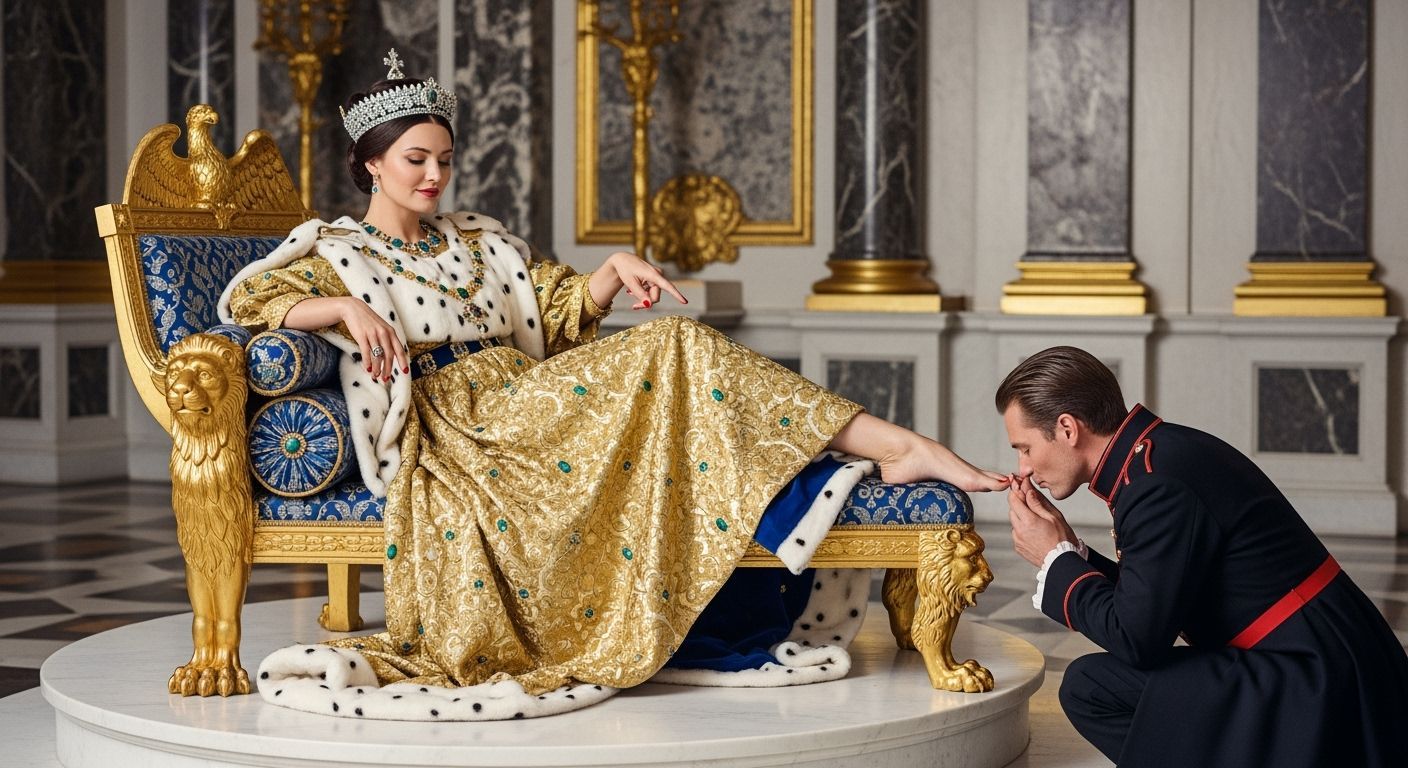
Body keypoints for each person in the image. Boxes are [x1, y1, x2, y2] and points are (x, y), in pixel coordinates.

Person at [216, 51, 1007, 718]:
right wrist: (341, 306)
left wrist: (609, 274)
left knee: (680, 351)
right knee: (675, 346)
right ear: (369, 164)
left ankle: (892, 449)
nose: (433, 176)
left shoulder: (478, 242)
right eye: (415, 160)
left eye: (444, 160)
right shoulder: (338, 251)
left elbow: (557, 311)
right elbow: (247, 303)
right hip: (462, 426)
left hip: (532, 397)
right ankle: (902, 445)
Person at [996, 345, 1408, 767]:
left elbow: (1138, 640)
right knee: (1093, 684)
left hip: (1313, 676)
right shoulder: (1158, 454)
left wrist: (1055, 558)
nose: (1023, 467)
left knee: (1091, 688)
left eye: (1024, 447)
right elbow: (1156, 595)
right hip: (1323, 651)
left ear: (1067, 428)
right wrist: (1072, 552)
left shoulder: (1154, 484)